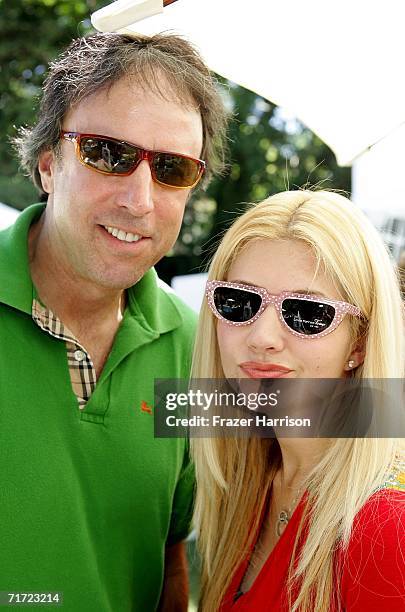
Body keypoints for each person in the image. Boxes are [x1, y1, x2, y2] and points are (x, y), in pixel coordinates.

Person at [0, 32, 227, 611]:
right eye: (108, 153)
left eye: (173, 168)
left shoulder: (197, 345)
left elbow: (168, 557)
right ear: (48, 165)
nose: (140, 199)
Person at [191, 190, 405, 611]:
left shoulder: (387, 528)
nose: (262, 338)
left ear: (359, 342)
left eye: (307, 313)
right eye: (239, 302)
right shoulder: (248, 482)